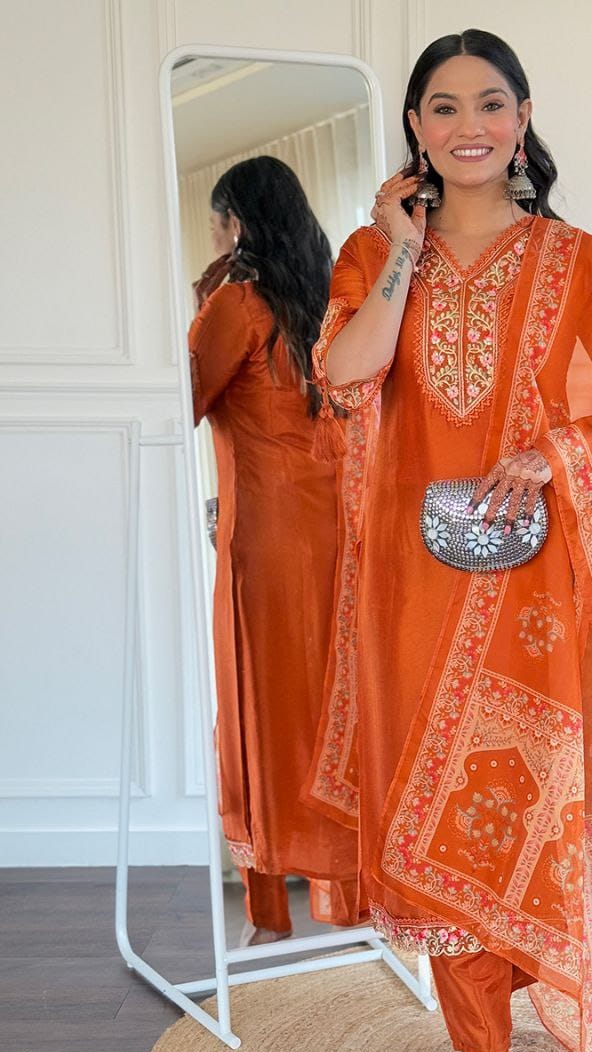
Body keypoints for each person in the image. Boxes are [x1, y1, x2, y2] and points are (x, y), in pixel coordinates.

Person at [305, 30, 592, 1052]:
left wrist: (566, 450)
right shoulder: (371, 252)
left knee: (513, 815)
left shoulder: (577, 262)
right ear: (416, 131)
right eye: (442, 108)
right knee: (423, 823)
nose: (468, 125)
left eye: (490, 103)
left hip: (539, 587)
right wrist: (399, 249)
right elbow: (345, 376)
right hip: (407, 583)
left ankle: (485, 1047)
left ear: (523, 118)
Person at [189, 156, 361, 945]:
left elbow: (182, 397)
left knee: (261, 708)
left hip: (267, 536)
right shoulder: (324, 302)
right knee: (331, 705)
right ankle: (354, 898)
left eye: (218, 222)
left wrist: (212, 287)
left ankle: (269, 914)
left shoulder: (238, 302)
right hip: (335, 529)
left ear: (239, 225)